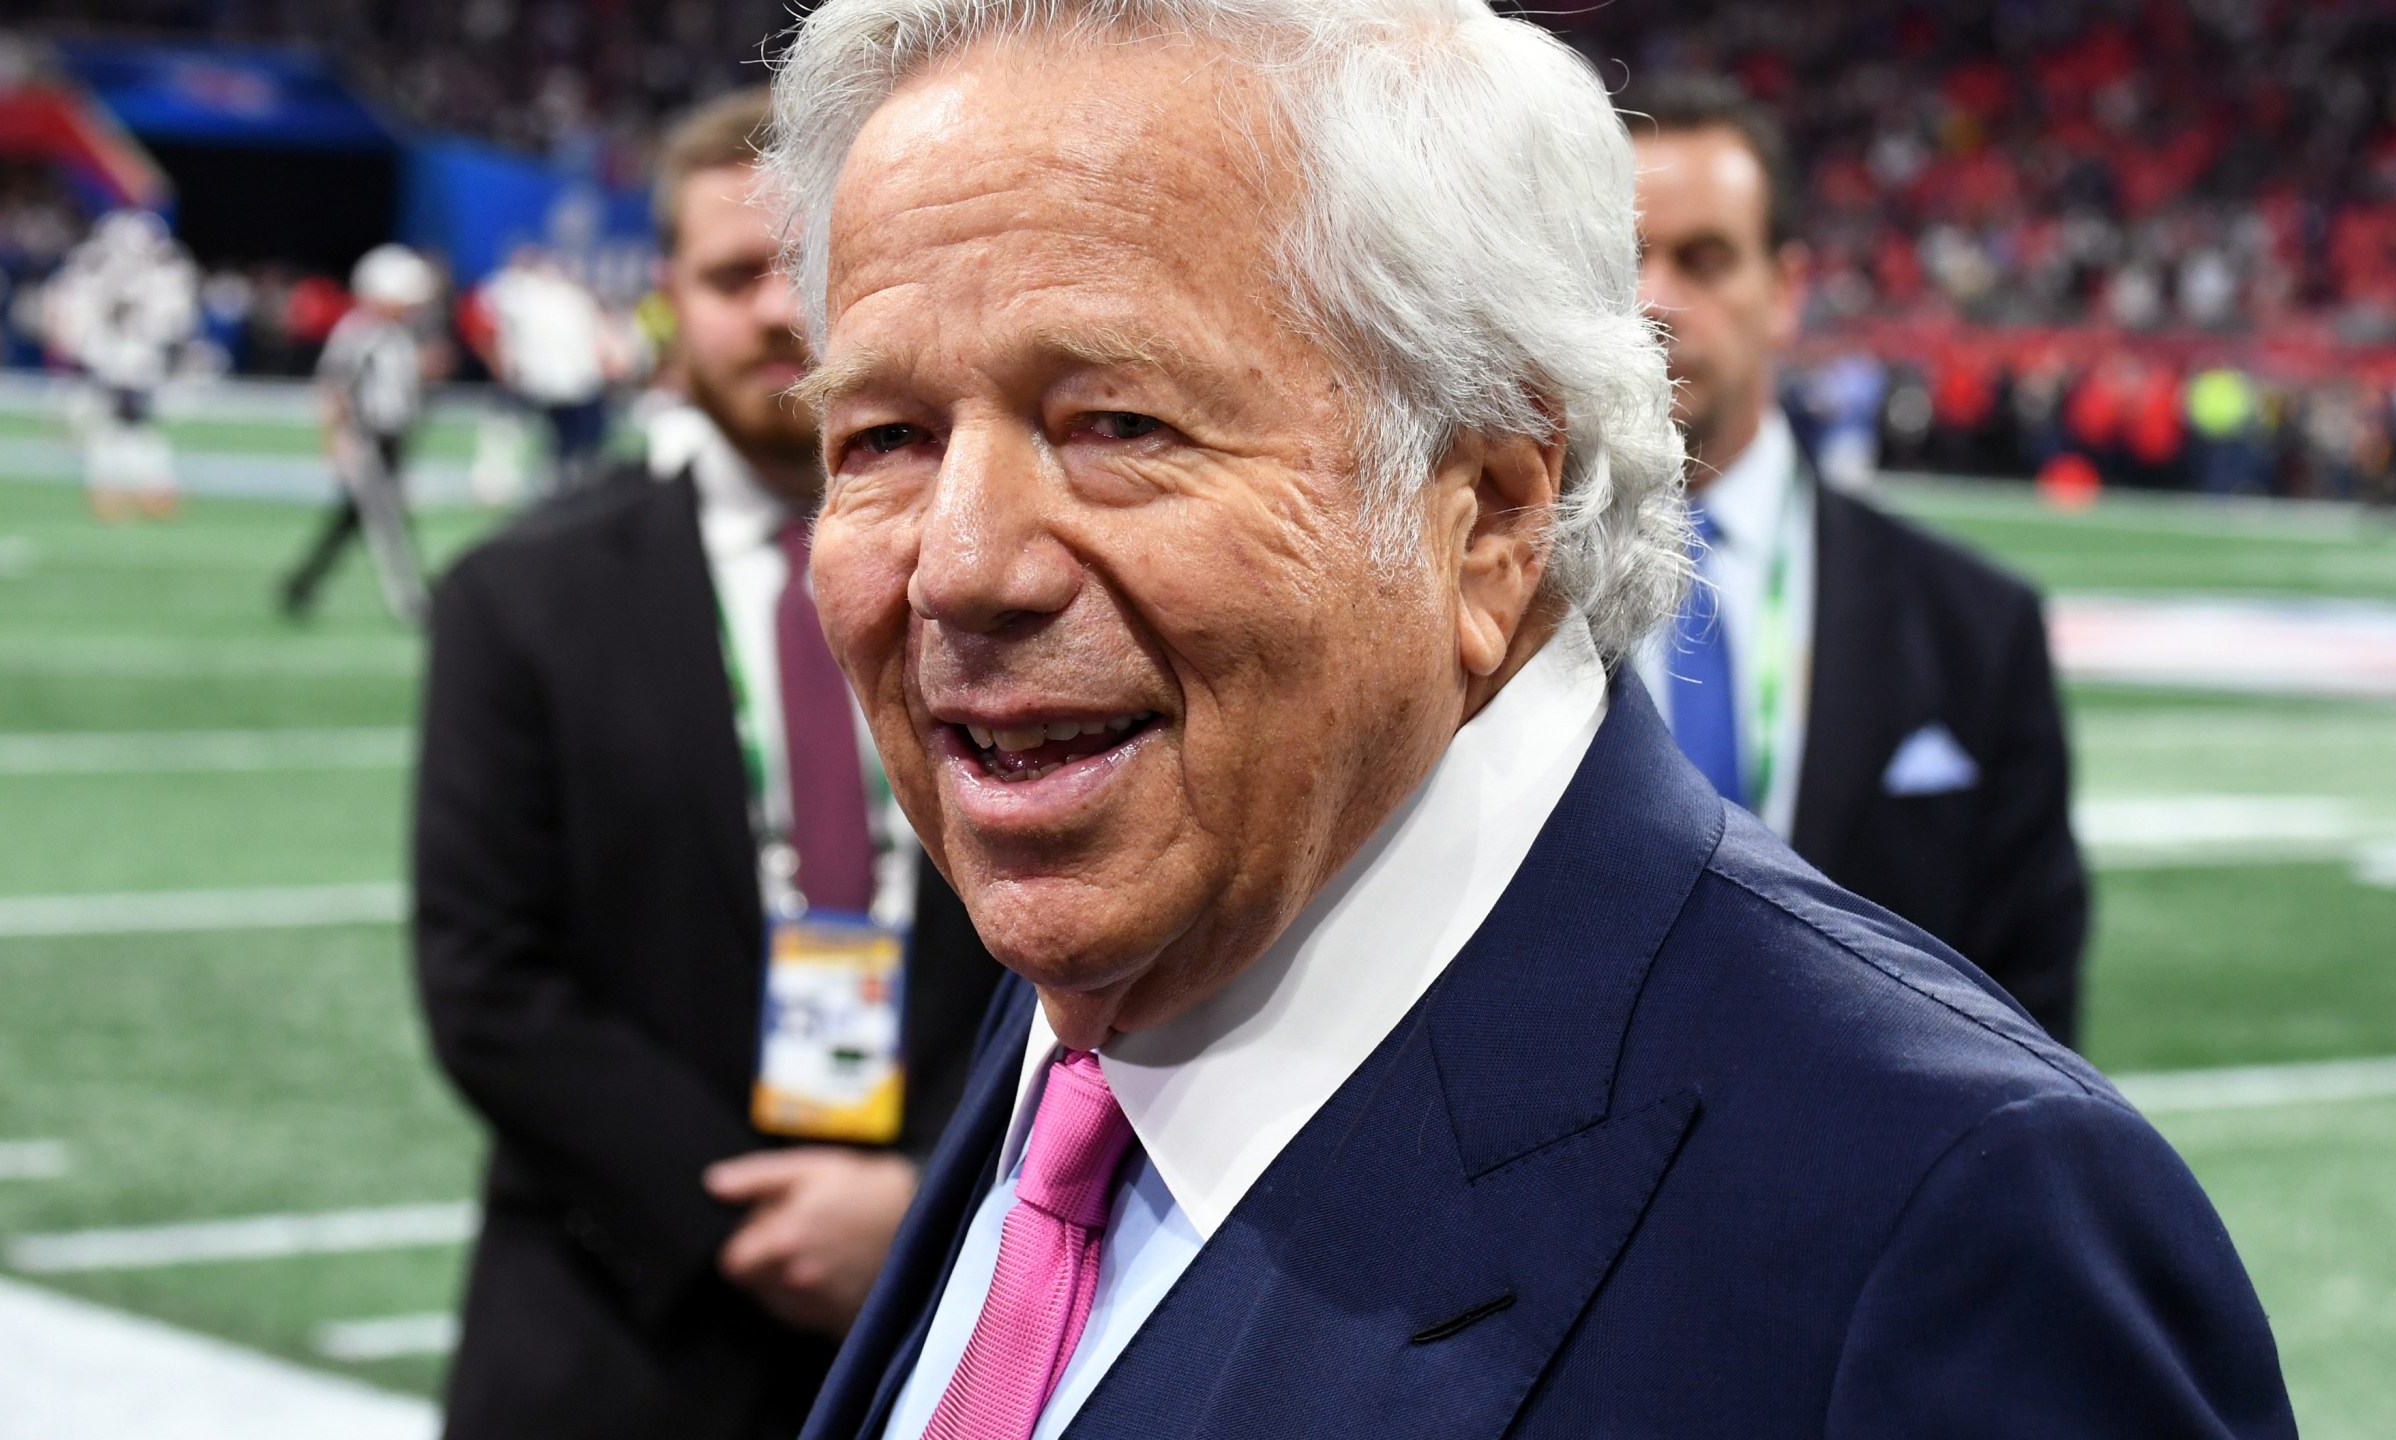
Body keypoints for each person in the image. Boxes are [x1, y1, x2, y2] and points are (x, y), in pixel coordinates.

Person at [773, 1, 2294, 1436]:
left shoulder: (1940, 1221)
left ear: (1492, 515)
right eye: (885, 437)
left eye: (1117, 424)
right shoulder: (1118, 960)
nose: (961, 565)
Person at [412, 88, 1003, 1440]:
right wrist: (743, 1216)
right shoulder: (522, 597)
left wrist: (924, 1204)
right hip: (619, 1312)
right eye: (733, 275)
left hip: (956, 1299)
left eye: (812, 272)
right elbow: (486, 977)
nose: (779, 313)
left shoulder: (1011, 580)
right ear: (669, 301)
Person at [1625, 76, 2092, 1045]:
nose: (1654, 300)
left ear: (1785, 290)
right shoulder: (1478, 594)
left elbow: (2030, 1020)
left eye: (1703, 259)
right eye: (1620, 257)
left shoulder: (1974, 628)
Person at [280, 243, 440, 627]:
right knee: (388, 522)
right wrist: (337, 443)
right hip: (368, 440)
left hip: (390, 437)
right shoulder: (358, 333)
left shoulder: (395, 334)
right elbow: (335, 389)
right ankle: (412, 600)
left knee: (355, 521)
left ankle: (300, 584)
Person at [43, 210, 198, 523]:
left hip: (126, 356)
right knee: (117, 422)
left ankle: (137, 488)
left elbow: (171, 320)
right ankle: (134, 489)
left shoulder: (138, 272)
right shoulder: (103, 270)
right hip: (115, 355)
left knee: (122, 422)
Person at [471, 247, 624, 494]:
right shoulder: (533, 295)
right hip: (555, 382)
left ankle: (503, 479)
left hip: (562, 382)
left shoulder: (562, 298)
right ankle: (497, 478)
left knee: (567, 442)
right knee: (513, 427)